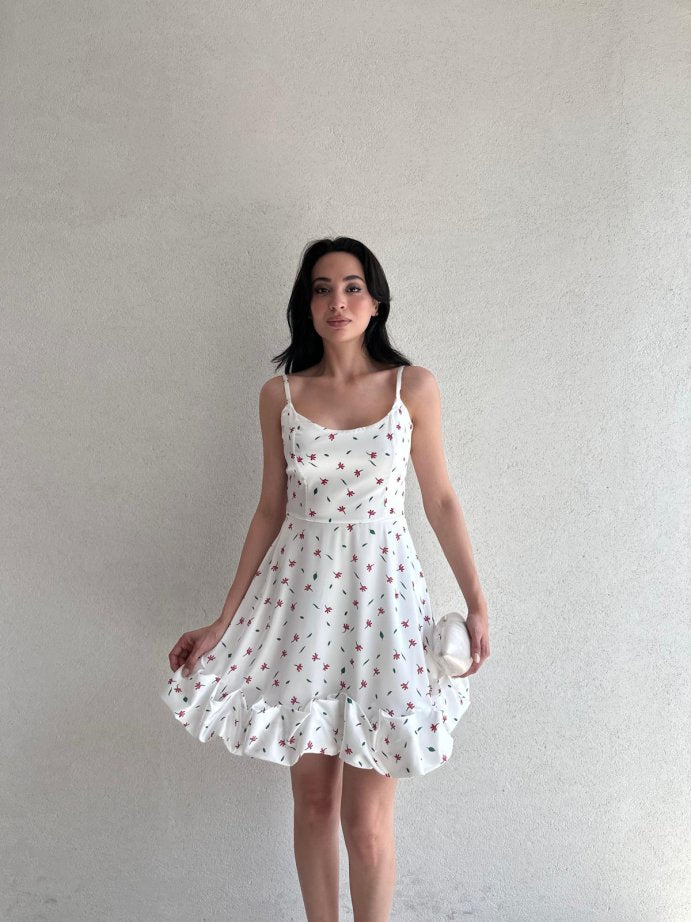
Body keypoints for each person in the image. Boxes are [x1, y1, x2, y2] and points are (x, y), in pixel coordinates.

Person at [161, 236, 490, 921]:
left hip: (383, 605)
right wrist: (224, 621)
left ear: (375, 302)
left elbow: (440, 500)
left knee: (365, 824)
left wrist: (476, 602)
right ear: (305, 305)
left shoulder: (412, 388)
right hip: (300, 608)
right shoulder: (279, 395)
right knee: (313, 803)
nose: (336, 301)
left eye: (351, 287)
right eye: (321, 289)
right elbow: (269, 510)